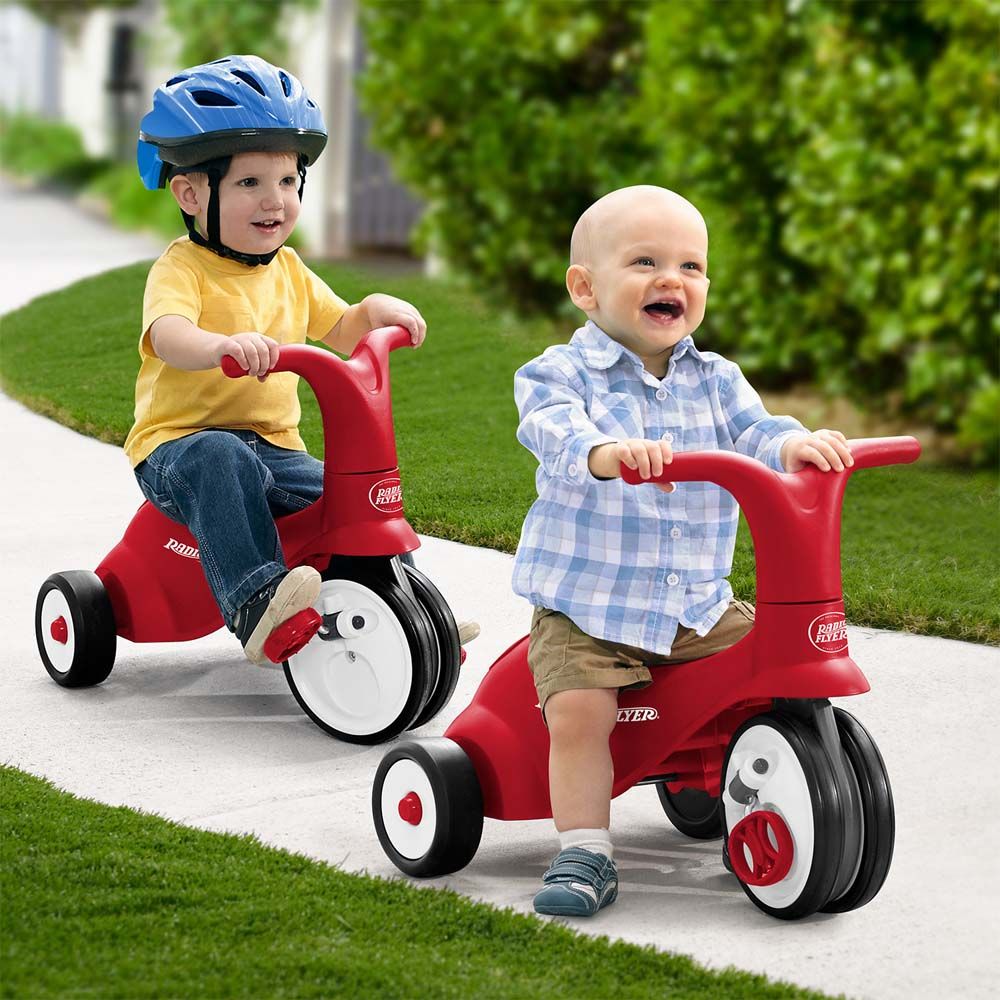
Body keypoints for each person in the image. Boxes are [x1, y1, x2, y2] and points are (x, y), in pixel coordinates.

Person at [512, 185, 854, 916]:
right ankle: (584, 850)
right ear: (585, 288)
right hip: (589, 609)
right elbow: (551, 427)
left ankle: (757, 797)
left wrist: (793, 444)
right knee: (580, 713)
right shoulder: (560, 372)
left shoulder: (716, 378)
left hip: (695, 606)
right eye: (645, 262)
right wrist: (605, 453)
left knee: (777, 669)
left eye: (690, 266)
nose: (672, 279)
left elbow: (758, 431)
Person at [124, 56, 457, 663]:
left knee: (345, 492)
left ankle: (405, 611)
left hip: (275, 449)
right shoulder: (181, 269)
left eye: (287, 180)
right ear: (191, 193)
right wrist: (219, 346)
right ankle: (257, 605)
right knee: (222, 456)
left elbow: (342, 327)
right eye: (249, 183)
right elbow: (168, 334)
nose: (274, 200)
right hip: (181, 448)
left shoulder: (290, 268)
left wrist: (372, 311)